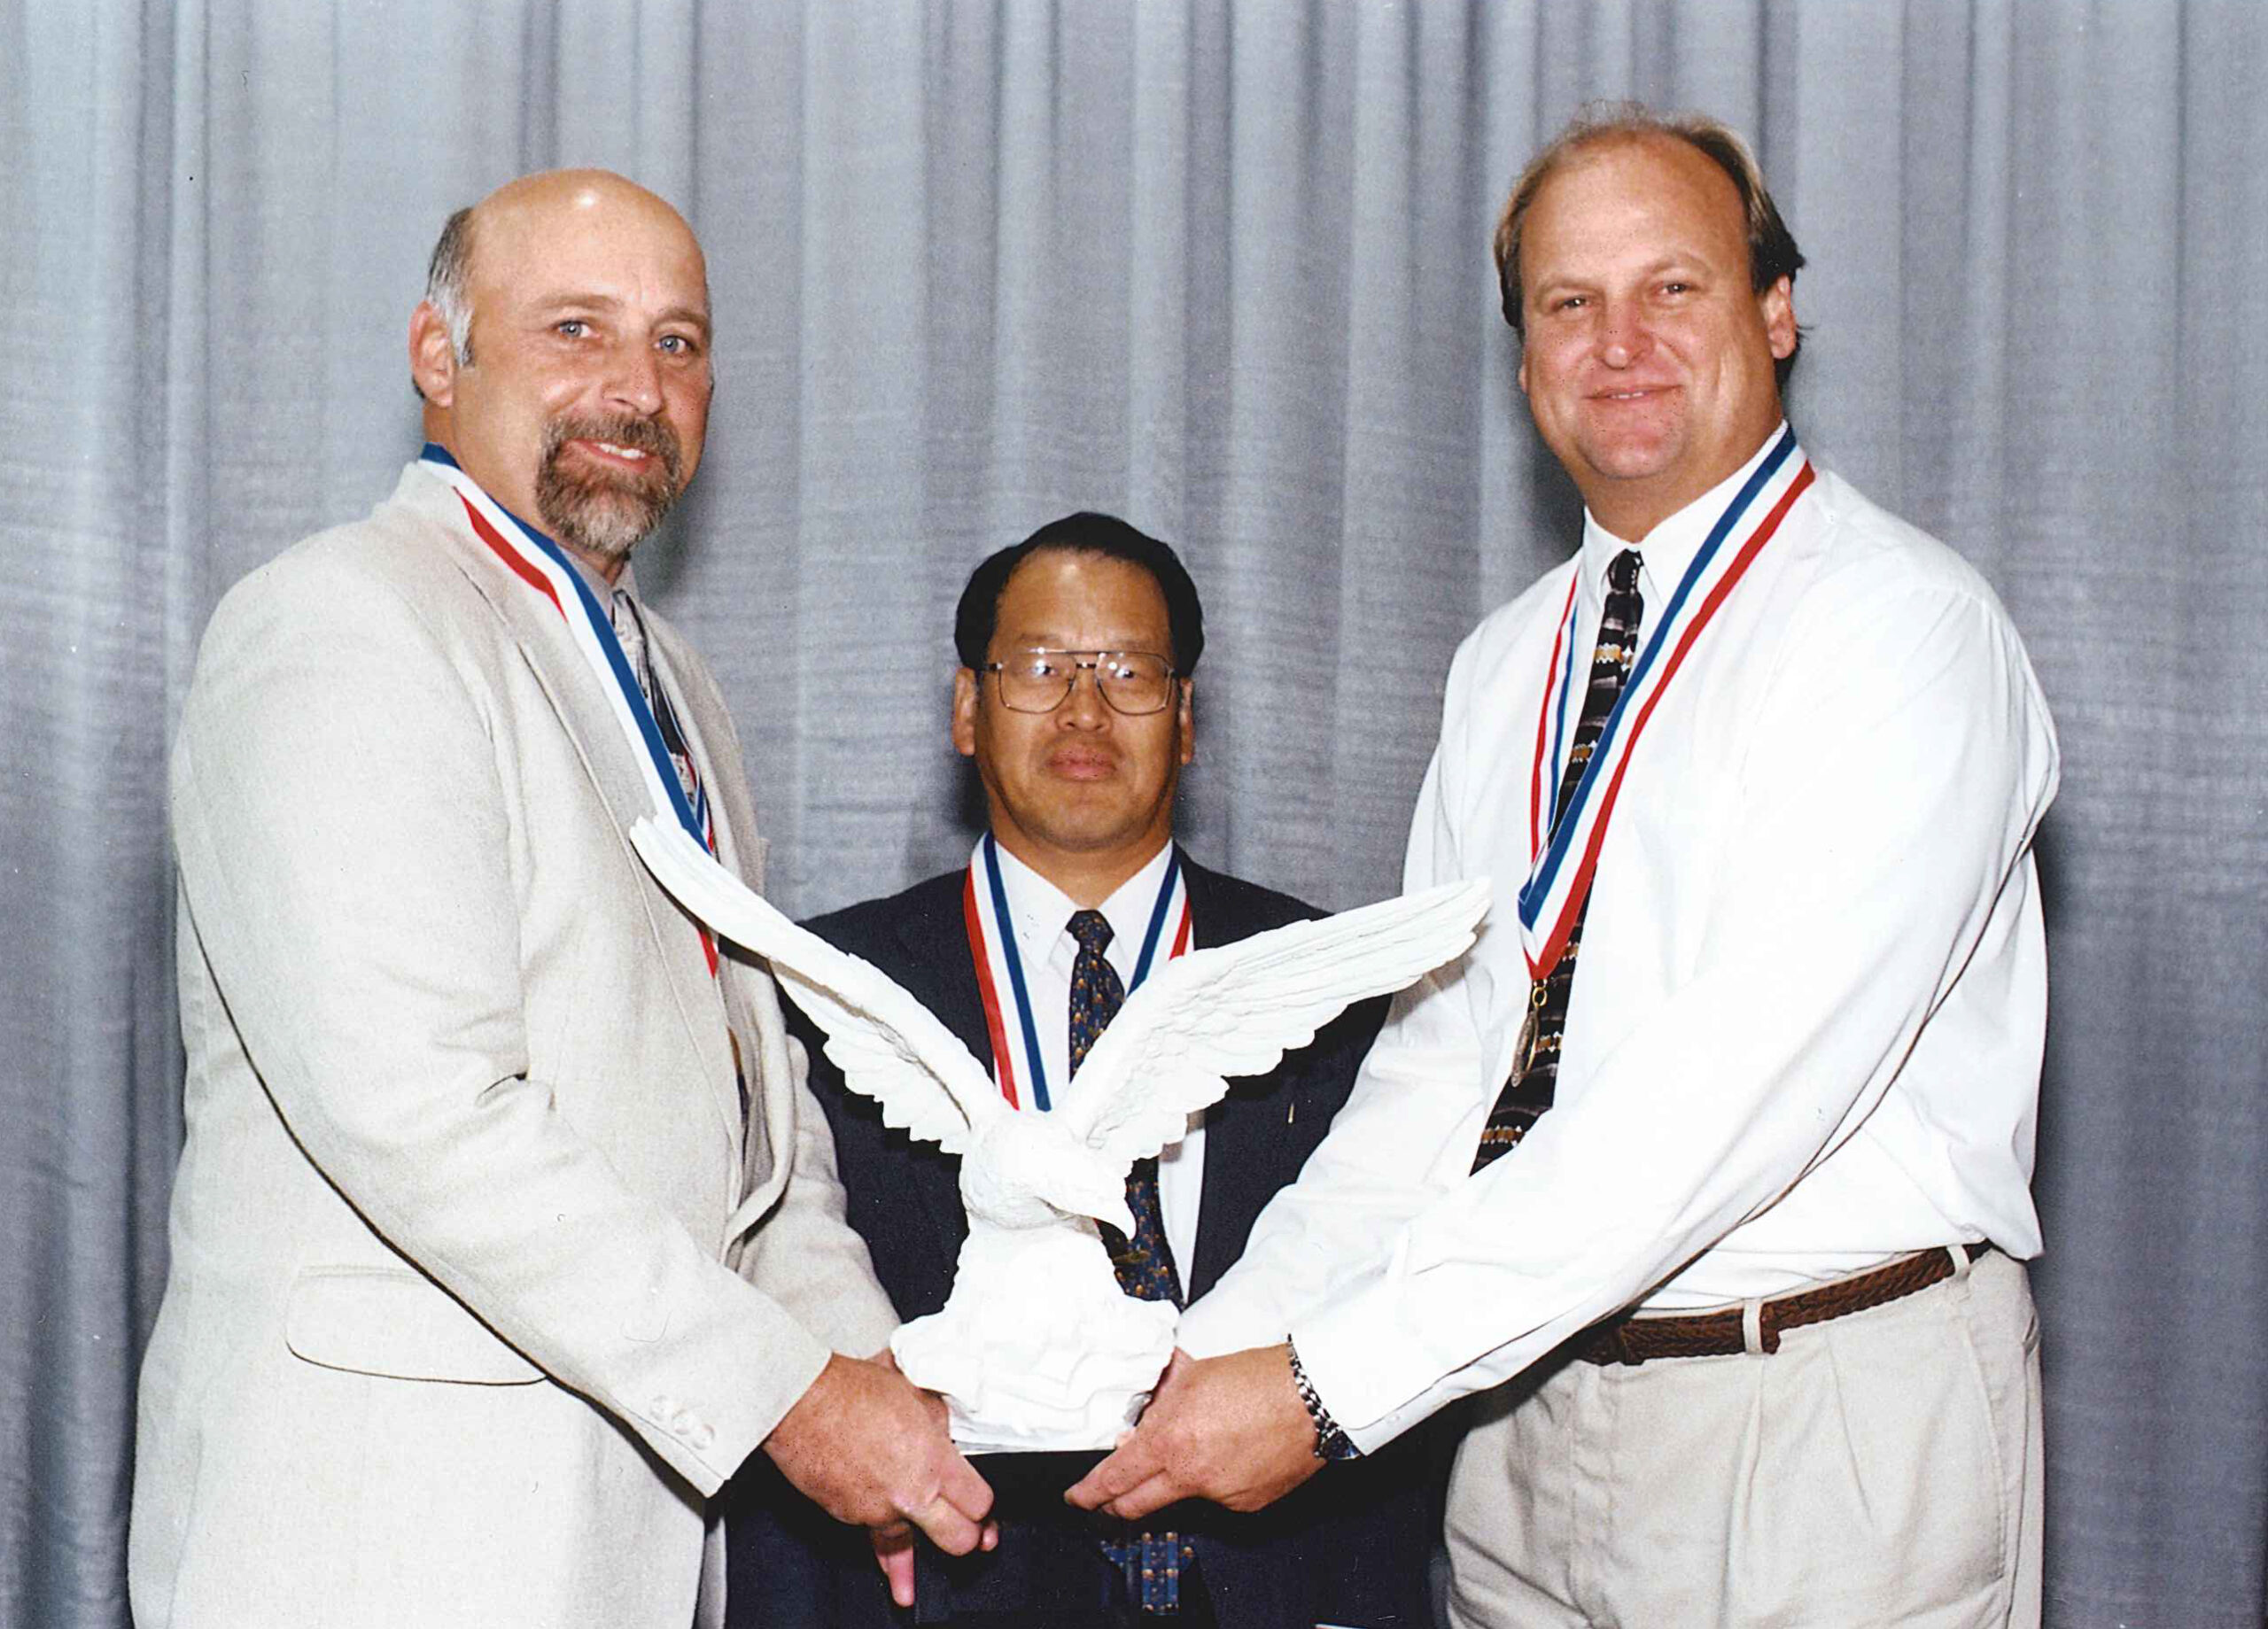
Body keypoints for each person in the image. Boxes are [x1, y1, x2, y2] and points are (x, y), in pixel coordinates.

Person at [1069, 105, 2060, 1629]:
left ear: (1777, 311)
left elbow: (1724, 1094)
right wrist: (1217, 1354)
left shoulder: (1903, 631)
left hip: (1811, 1414)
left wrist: (1337, 1381)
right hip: (1518, 1415)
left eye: (1674, 287)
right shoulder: (1505, 664)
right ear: (1523, 358)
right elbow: (1438, 1081)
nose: (1620, 344)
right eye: (1567, 303)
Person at [129, 169, 991, 1629]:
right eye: (575, 327)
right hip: (379, 1544)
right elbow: (420, 1107)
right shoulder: (346, 616)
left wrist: (867, 1366)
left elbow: (751, 1117)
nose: (635, 386)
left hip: (622, 1541)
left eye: (677, 342)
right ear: (435, 356)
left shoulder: (678, 689)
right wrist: (788, 1392)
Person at [726, 513, 1435, 1626]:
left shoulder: (1340, 989)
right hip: (935, 1584)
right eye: (1041, 668)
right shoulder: (817, 983)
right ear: (967, 708)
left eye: (1132, 671)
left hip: (1280, 1584)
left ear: (1187, 717)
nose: (1085, 709)